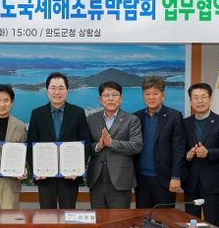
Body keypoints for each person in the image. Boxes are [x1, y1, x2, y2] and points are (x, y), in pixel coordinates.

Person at [27, 72, 91, 209]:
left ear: (67, 90)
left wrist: (78, 169)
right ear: (47, 90)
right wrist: (36, 170)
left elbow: (86, 144)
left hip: (70, 177)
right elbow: (31, 145)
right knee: (47, 215)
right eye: (53, 88)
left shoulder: (78, 113)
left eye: (61, 88)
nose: (57, 92)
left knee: (68, 214)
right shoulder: (37, 114)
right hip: (45, 177)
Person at [182, 83, 219, 226]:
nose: (200, 101)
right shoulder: (185, 123)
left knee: (212, 225)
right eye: (195, 97)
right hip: (190, 182)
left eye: (203, 97)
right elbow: (179, 149)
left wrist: (208, 153)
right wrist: (187, 155)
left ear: (210, 99)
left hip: (213, 182)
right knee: (191, 226)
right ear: (191, 101)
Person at [86, 81, 143, 209]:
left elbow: (137, 146)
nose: (110, 98)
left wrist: (112, 143)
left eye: (114, 95)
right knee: (98, 218)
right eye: (106, 95)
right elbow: (85, 147)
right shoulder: (91, 119)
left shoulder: (132, 120)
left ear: (121, 98)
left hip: (121, 180)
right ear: (100, 99)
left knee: (119, 219)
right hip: (96, 180)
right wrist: (98, 146)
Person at [133, 75, 185, 209]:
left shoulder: (174, 116)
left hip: (165, 179)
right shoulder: (136, 117)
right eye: (147, 94)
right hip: (141, 179)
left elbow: (179, 149)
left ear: (163, 96)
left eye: (155, 93)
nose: (151, 97)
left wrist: (176, 176)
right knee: (143, 217)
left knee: (165, 218)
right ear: (143, 96)